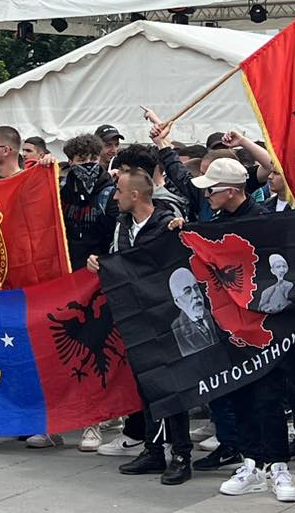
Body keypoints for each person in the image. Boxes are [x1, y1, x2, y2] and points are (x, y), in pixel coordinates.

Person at [187, 156, 295, 504]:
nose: (206, 197)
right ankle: (252, 463)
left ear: (232, 191)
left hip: (266, 328)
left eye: (212, 191)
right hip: (232, 328)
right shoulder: (216, 225)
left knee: (269, 398)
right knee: (240, 395)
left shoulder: (267, 222)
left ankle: (279, 466)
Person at [92, 168, 191, 480]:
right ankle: (153, 449)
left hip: (166, 317)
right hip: (135, 319)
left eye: (119, 191)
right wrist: (98, 262)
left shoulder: (166, 225)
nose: (116, 197)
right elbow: (116, 259)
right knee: (146, 385)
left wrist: (183, 230)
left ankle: (181, 454)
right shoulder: (123, 226)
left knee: (173, 387)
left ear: (135, 195)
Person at [61, 134, 117, 272]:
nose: (88, 163)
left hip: (99, 268)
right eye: (81, 159)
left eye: (93, 158)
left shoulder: (110, 194)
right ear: (70, 161)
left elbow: (116, 236)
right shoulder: (62, 191)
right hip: (69, 267)